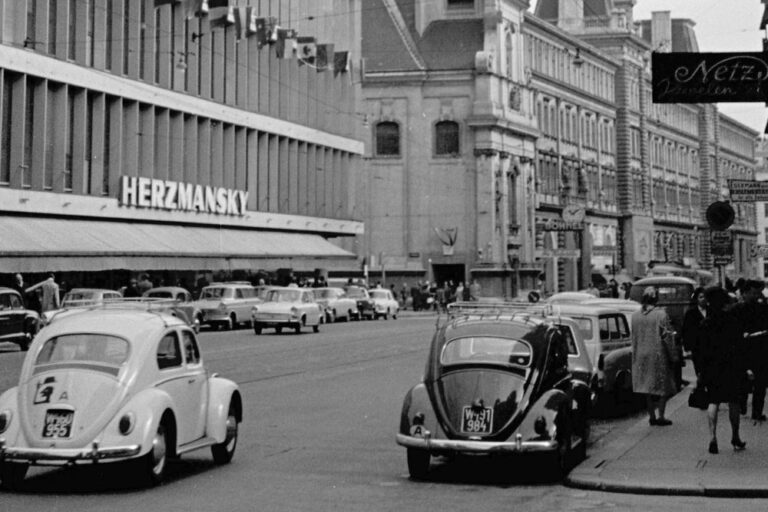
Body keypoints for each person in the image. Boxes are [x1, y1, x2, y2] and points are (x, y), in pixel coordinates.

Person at [698, 286, 747, 454]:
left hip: (712, 367)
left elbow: (701, 350)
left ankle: (713, 437)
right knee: (734, 401)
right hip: (731, 366)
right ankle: (735, 436)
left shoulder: (705, 323)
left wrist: (701, 371)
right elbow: (740, 345)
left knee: (713, 402)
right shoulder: (733, 321)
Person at [631, 286, 679, 426]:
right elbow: (667, 337)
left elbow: (633, 337)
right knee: (663, 386)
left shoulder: (635, 316)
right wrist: (673, 355)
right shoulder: (661, 315)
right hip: (658, 354)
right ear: (656, 299)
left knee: (647, 387)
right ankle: (661, 416)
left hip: (640, 354)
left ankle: (651, 415)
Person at [730, 279, 768, 421]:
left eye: (758, 293)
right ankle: (743, 405)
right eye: (753, 293)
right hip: (742, 350)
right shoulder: (736, 310)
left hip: (760, 350)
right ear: (745, 293)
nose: (756, 296)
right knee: (743, 380)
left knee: (761, 383)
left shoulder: (764, 309)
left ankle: (756, 411)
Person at [681, 287, 707, 376]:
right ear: (697, 299)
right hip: (697, 347)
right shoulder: (691, 313)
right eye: (701, 297)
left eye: (705, 297)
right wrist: (687, 347)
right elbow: (686, 330)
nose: (703, 299)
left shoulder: (711, 311)